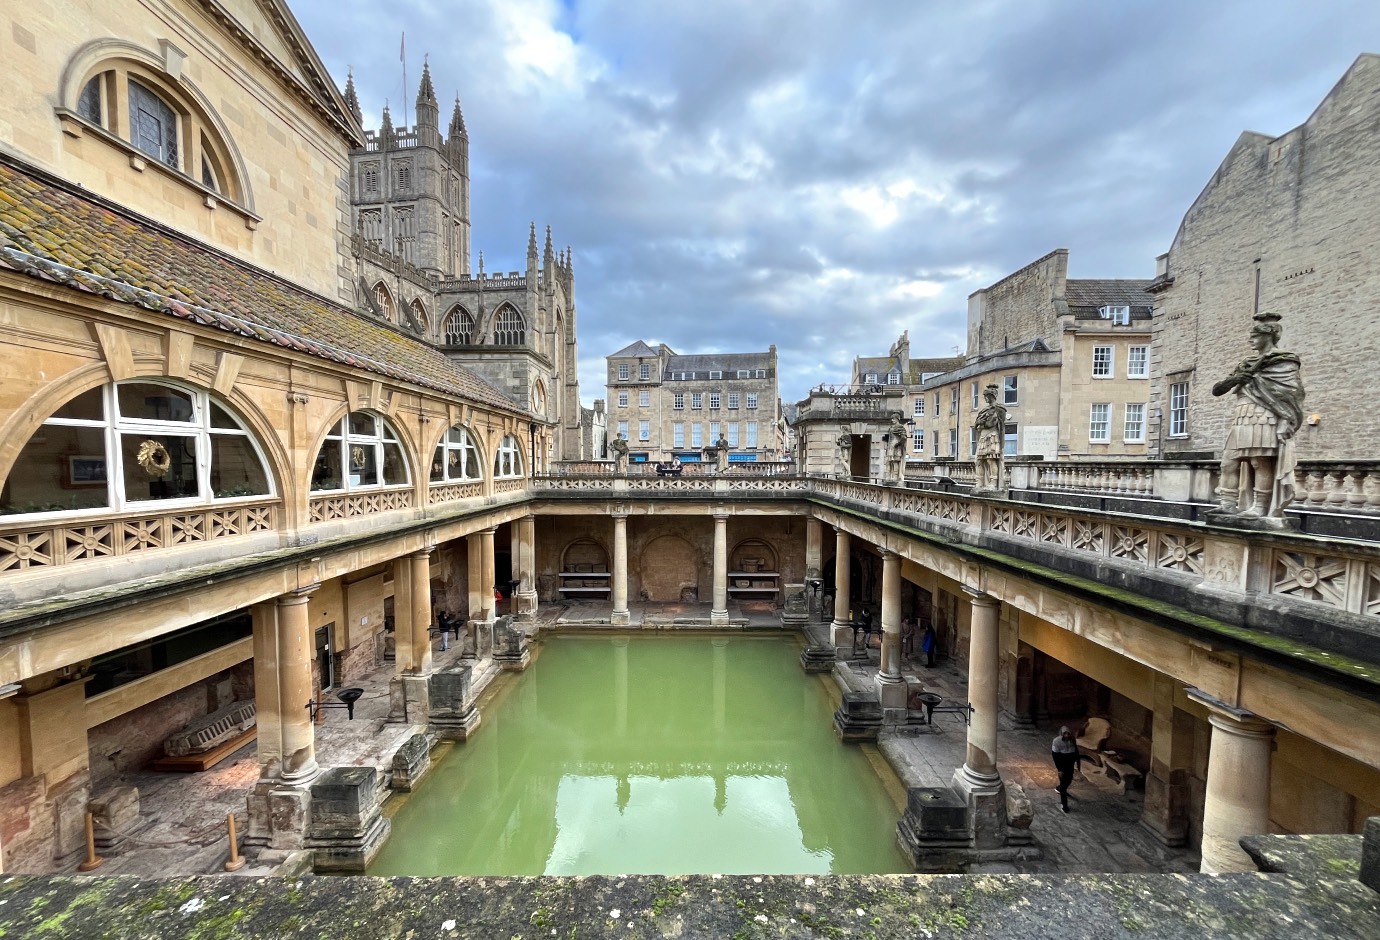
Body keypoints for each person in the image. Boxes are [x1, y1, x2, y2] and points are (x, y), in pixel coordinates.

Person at [1211, 312, 1304, 519]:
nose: (1250, 340)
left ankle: (1260, 507)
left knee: (1259, 462)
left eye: (1254, 336)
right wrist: (1235, 379)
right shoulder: (1246, 363)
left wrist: (1285, 421)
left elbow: (1292, 394)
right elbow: (1217, 390)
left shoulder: (1284, 361)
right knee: (1228, 462)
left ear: (1268, 335)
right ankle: (1227, 503)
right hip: (1242, 415)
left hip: (1264, 415)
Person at [974, 384, 1008, 491]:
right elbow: (977, 424)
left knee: (991, 460)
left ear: (991, 396)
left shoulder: (999, 409)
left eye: (986, 396)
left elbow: (998, 426)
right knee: (979, 461)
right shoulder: (983, 411)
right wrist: (980, 423)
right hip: (983, 437)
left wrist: (983, 423)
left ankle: (993, 483)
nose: (985, 398)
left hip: (992, 436)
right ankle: (979, 483)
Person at [1051, 726, 1081, 813]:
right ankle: (1064, 806)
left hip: (1070, 765)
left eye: (1068, 733)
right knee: (1064, 785)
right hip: (1062, 766)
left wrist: (1078, 764)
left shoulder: (1072, 740)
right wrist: (1059, 769)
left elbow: (1076, 752)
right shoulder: (1056, 741)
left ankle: (1059, 788)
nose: (1067, 735)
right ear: (1062, 734)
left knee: (1069, 780)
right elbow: (1055, 756)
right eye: (1065, 733)